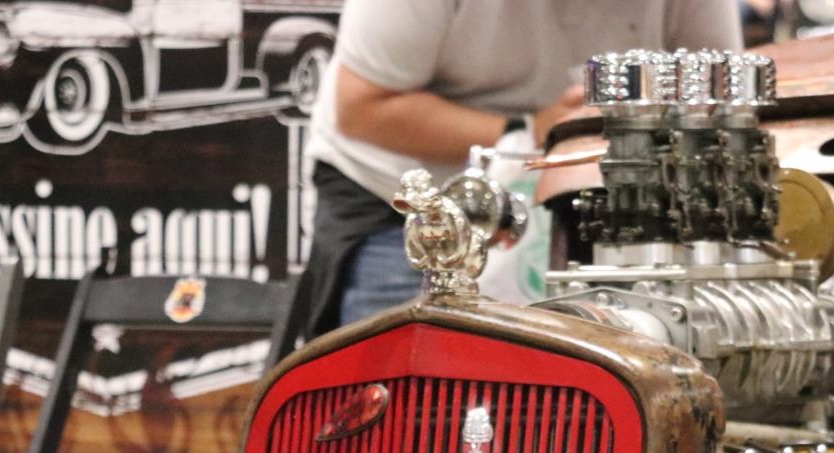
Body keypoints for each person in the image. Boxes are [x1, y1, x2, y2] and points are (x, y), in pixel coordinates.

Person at [277, 0, 741, 352]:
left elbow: (724, 95)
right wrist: (532, 132)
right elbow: (362, 109)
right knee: (409, 396)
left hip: (593, 199)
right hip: (406, 196)